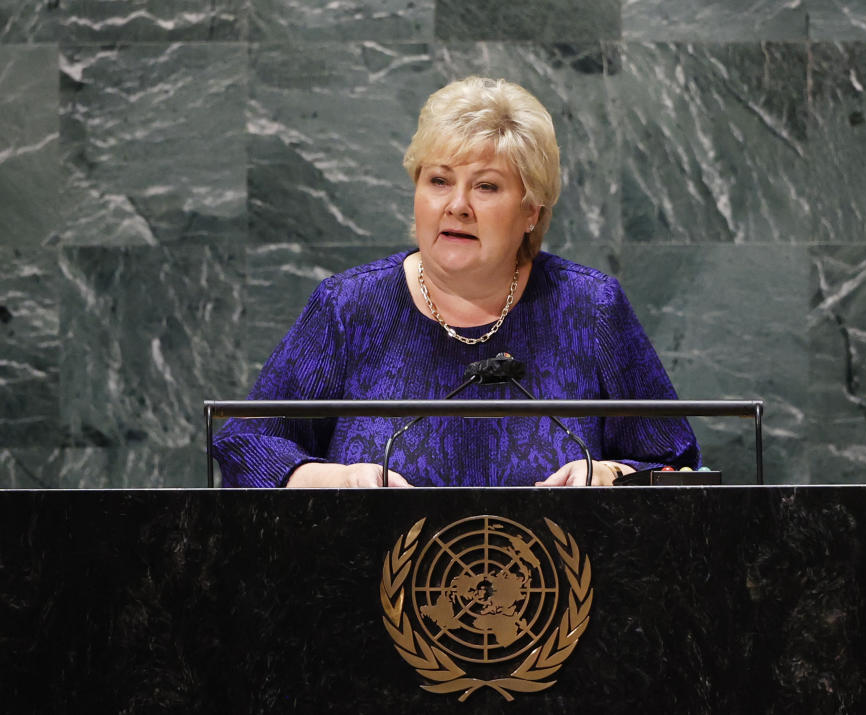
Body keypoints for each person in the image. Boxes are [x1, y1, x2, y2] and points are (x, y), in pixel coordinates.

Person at [213, 76, 700, 488]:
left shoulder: (590, 308)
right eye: (439, 181)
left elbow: (676, 460)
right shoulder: (349, 307)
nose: (457, 205)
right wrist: (335, 480)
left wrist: (610, 473)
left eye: (486, 186)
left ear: (531, 211)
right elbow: (244, 441)